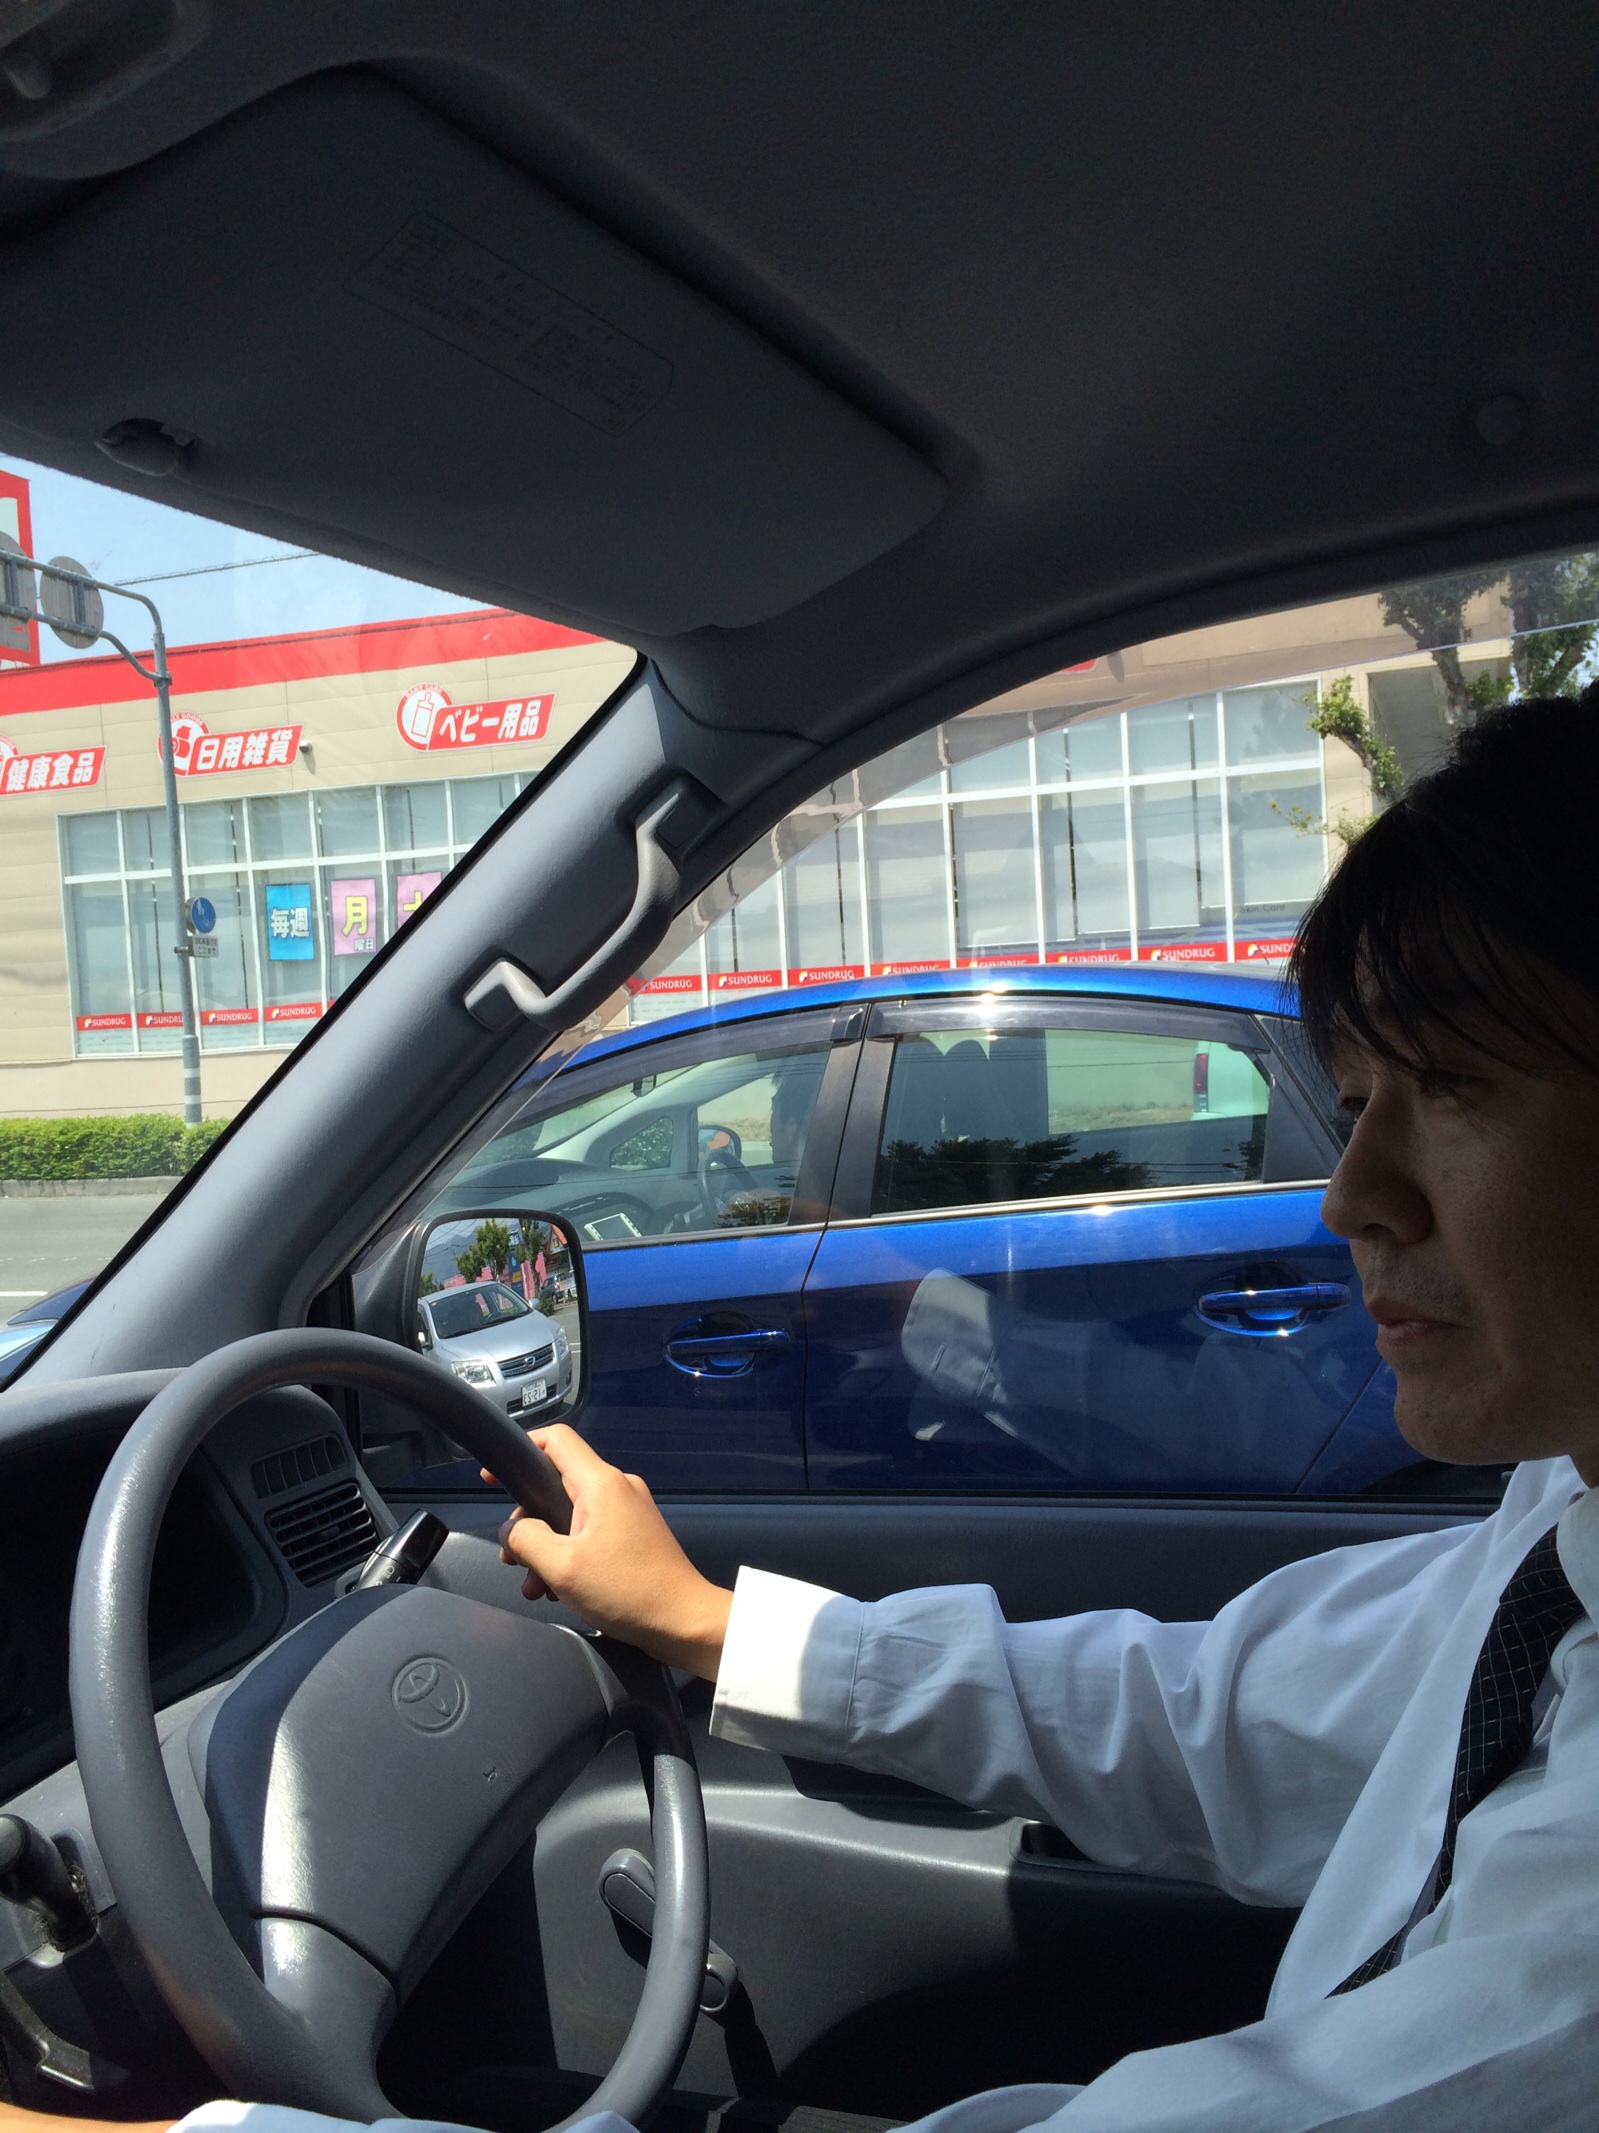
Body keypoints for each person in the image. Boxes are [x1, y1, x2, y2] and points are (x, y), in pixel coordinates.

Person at [17, 688, 1599, 2132]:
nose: (1348, 1198)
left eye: (1453, 1086)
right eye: (1360, 1099)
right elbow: (1205, 1719)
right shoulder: (1561, 1517)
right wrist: (713, 1625)